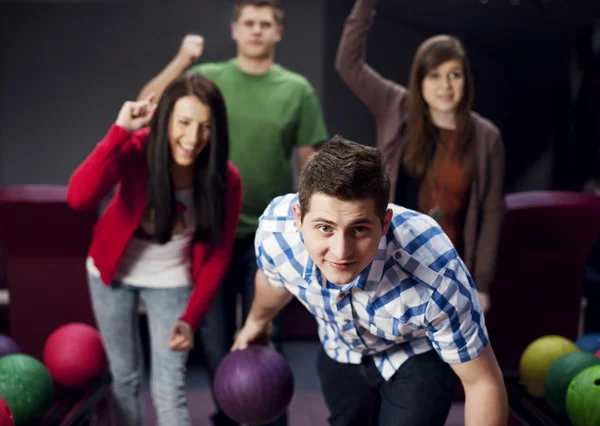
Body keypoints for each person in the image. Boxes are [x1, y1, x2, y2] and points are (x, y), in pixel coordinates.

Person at [138, 1, 328, 424]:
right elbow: (147, 104)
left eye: (266, 24)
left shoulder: (296, 89)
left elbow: (311, 162)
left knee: (264, 335)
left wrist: (312, 228)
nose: (257, 31)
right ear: (235, 30)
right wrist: (185, 59)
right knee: (216, 339)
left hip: (272, 235)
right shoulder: (209, 77)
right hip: (212, 228)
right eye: (249, 23)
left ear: (277, 33)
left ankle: (269, 418)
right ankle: (230, 414)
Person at [233, 136, 509, 426]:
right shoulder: (276, 234)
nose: (341, 252)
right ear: (298, 219)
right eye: (325, 228)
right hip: (342, 349)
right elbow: (273, 282)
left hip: (415, 353)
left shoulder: (436, 272)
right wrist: (256, 321)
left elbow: (483, 384)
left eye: (360, 229)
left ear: (385, 222)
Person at [67, 73, 242, 426]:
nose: (193, 138)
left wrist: (192, 318)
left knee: (169, 388)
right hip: (111, 275)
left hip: (172, 280)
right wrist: (119, 131)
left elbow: (219, 253)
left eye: (205, 127)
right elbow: (79, 197)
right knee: (125, 378)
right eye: (184, 122)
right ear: (167, 119)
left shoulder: (226, 178)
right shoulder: (137, 150)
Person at [335, 0, 505, 313]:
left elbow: (492, 212)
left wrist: (481, 283)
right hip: (393, 259)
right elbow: (348, 63)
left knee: (441, 355)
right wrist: (365, 6)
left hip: (450, 265)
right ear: (420, 79)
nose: (445, 86)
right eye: (434, 75)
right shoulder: (396, 106)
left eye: (454, 75)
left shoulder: (486, 136)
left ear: (466, 79)